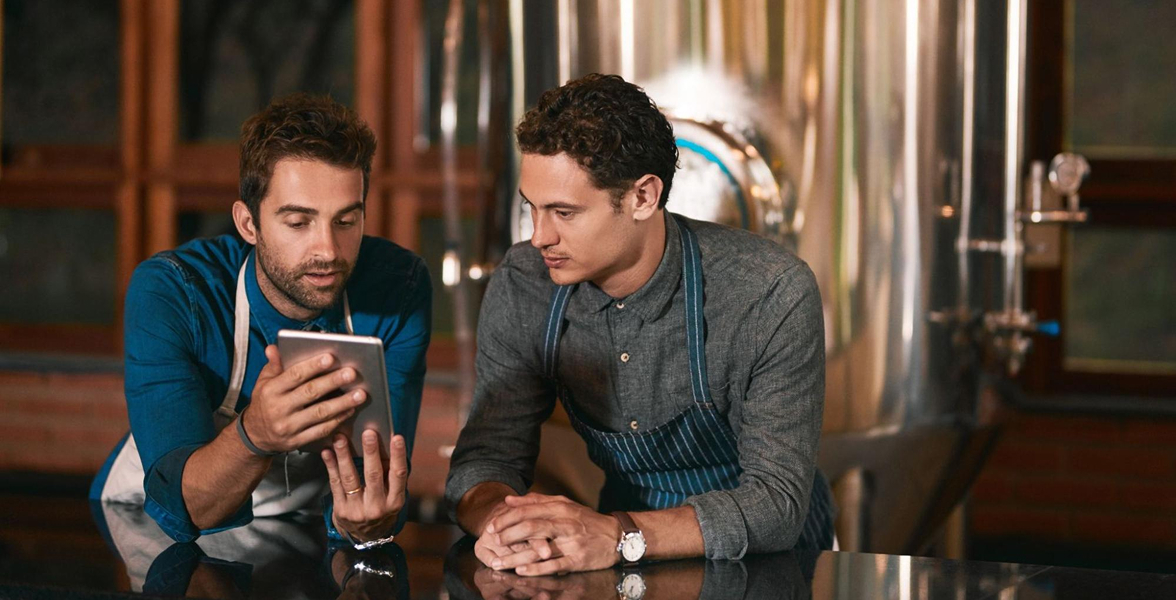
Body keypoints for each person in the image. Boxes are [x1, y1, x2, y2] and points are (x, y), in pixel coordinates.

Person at [445, 73, 834, 576]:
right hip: (619, 555)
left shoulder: (768, 292)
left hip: (772, 564)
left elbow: (775, 505)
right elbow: (486, 457)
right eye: (532, 208)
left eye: (564, 212)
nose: (539, 237)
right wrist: (506, 525)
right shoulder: (525, 283)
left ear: (643, 197)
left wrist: (620, 534)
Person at [90, 93, 431, 545]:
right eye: (298, 222)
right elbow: (188, 506)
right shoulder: (173, 292)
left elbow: (378, 486)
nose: (328, 250)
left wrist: (362, 524)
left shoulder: (400, 289)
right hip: (146, 529)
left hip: (303, 535)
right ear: (248, 224)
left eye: (346, 221)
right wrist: (255, 433)